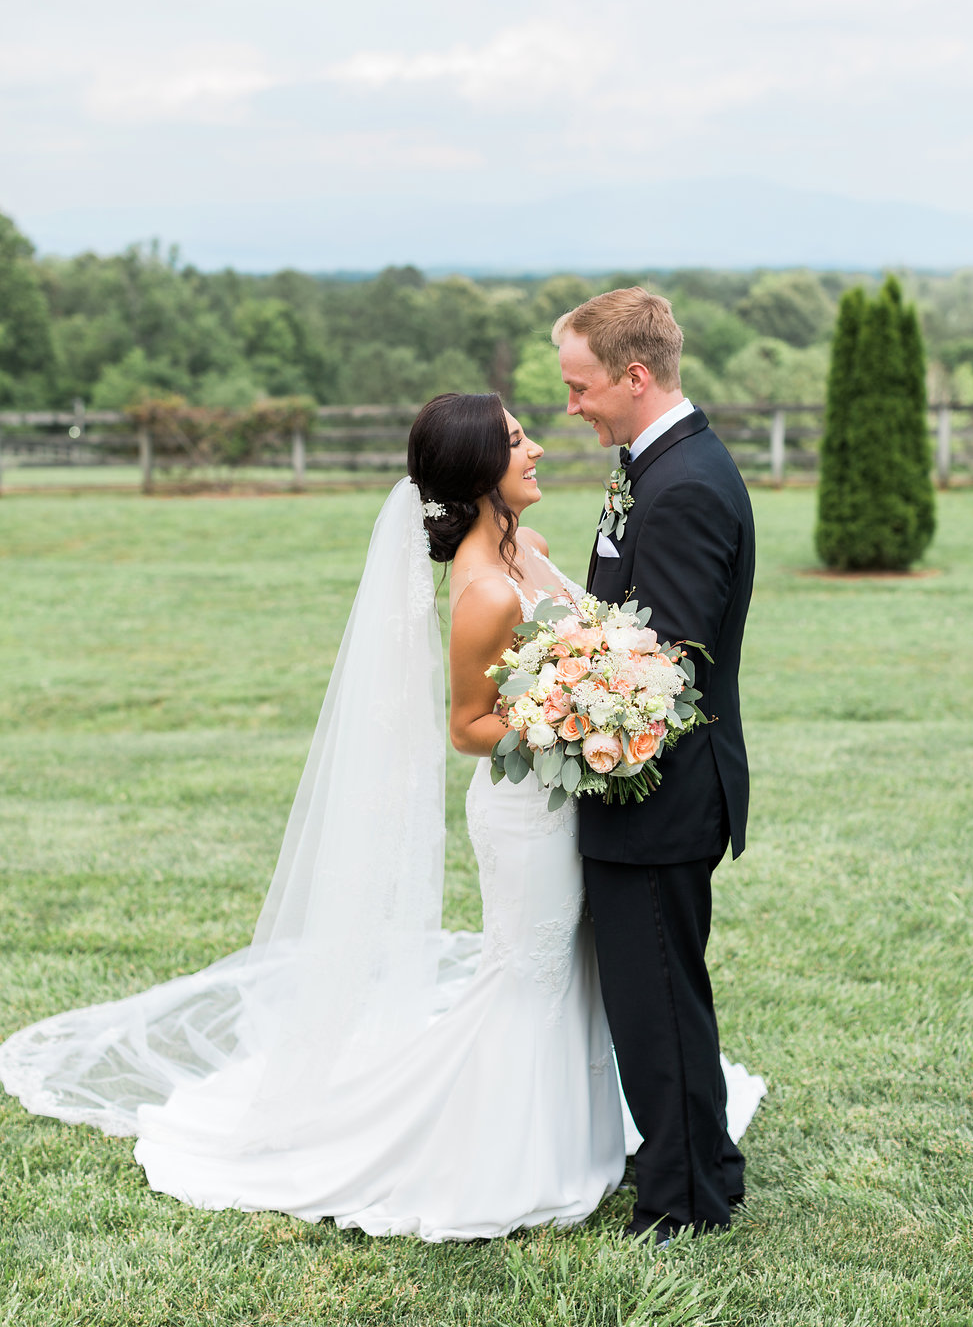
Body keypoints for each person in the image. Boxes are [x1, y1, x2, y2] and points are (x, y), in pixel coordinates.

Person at [0, 390, 762, 1240]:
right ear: (481, 472)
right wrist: (569, 718)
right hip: (525, 813)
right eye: (517, 441)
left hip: (568, 798)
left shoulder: (532, 548)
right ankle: (504, 1152)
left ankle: (577, 1138)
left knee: (577, 973)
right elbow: (469, 727)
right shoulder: (483, 596)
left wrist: (595, 691)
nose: (538, 447)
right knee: (530, 974)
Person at [554, 288, 758, 1240]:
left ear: (635, 378)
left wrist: (558, 709)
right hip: (652, 793)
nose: (572, 407)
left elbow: (661, 670)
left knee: (657, 1001)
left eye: (580, 386)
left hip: (659, 796)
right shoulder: (658, 463)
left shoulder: (684, 487)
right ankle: (706, 1158)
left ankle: (683, 1201)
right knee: (664, 988)